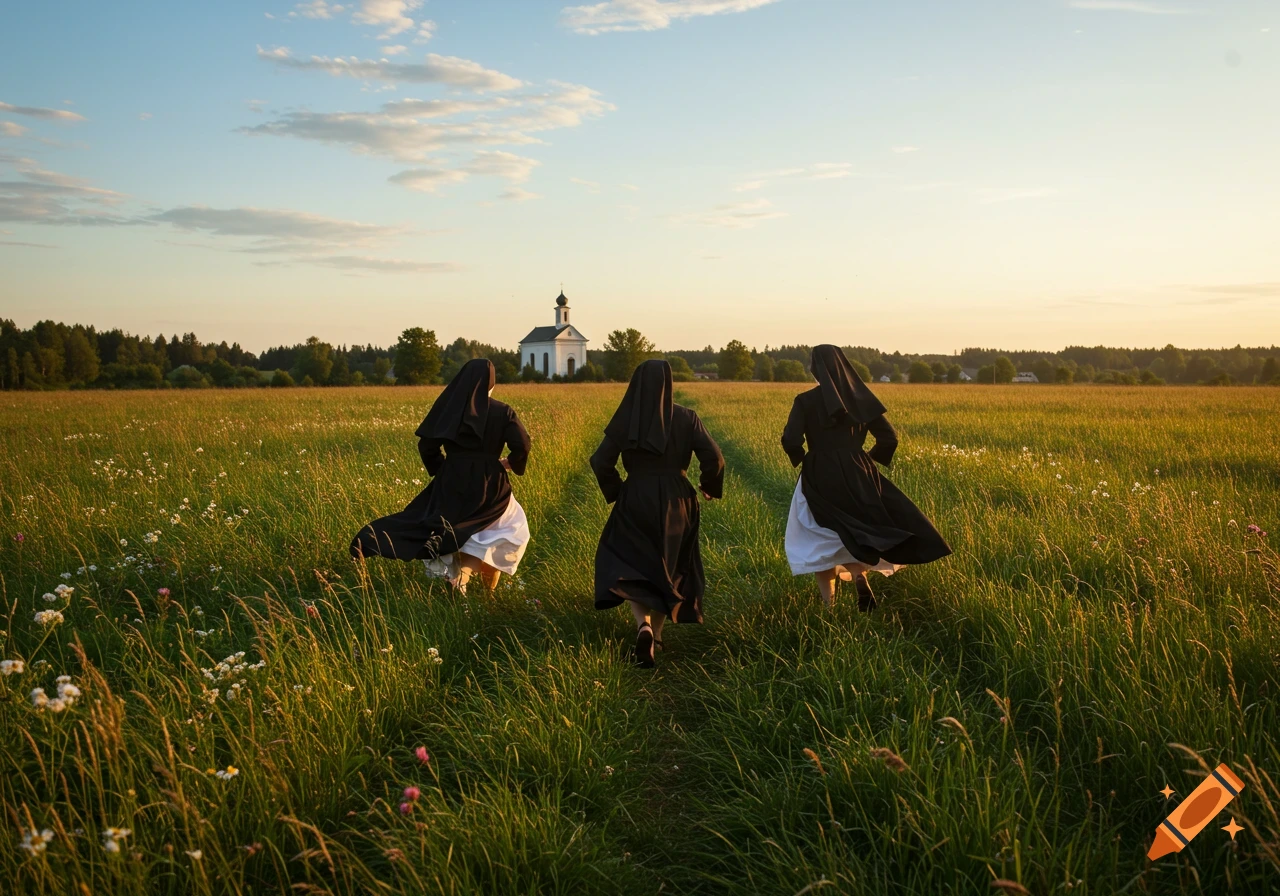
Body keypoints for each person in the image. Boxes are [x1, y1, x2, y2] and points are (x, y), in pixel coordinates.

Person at [781, 345, 950, 609]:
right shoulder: (862, 399)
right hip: (860, 472)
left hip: (818, 472)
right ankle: (859, 574)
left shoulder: (804, 401)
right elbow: (889, 438)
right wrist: (869, 458)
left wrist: (803, 457)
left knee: (819, 536)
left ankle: (830, 606)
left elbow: (790, 439)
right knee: (857, 529)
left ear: (815, 369)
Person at [350, 358, 531, 593]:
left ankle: (461, 581)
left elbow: (427, 446)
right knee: (500, 531)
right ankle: (480, 591)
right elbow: (523, 445)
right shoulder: (502, 411)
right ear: (491, 383)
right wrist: (509, 462)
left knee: (448, 528)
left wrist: (442, 469)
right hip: (490, 483)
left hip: (451, 481)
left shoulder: (449, 410)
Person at [591, 359, 725, 668]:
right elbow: (715, 458)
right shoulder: (687, 418)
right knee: (671, 566)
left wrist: (616, 491)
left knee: (634, 563)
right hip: (678, 501)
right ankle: (658, 636)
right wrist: (708, 485)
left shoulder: (625, 420)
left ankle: (644, 627)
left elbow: (600, 461)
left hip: (635, 496)